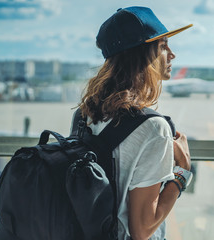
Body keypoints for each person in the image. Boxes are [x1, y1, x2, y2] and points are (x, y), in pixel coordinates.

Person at [77, 6, 193, 240]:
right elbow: (142, 229)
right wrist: (183, 172)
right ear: (143, 55)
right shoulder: (153, 128)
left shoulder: (84, 114)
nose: (172, 55)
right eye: (163, 46)